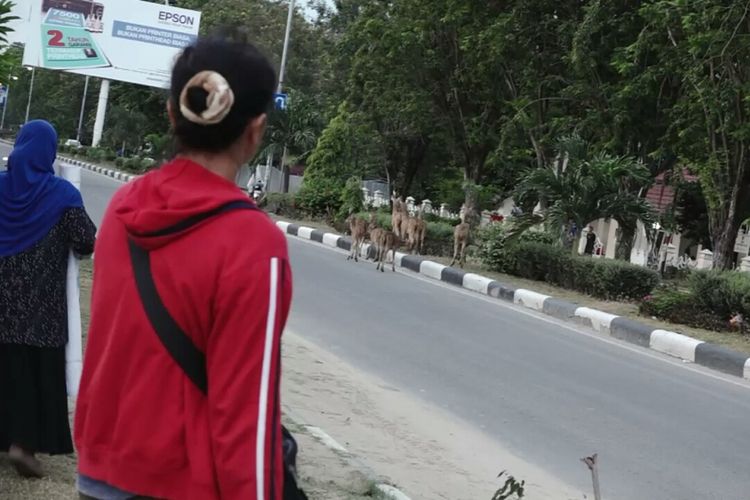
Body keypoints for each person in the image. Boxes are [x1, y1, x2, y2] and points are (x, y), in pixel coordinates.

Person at [75, 36, 292, 500]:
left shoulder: (123, 206)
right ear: (256, 129)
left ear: (173, 114)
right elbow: (246, 412)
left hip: (101, 471)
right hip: (185, 482)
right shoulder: (256, 244)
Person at [0, 120, 96, 478]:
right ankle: (23, 444)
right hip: (41, 305)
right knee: (34, 373)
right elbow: (87, 240)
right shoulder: (62, 195)